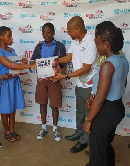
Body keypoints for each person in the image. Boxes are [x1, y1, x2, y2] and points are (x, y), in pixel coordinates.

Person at [83, 21, 129, 166]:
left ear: (106, 43)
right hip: (116, 108)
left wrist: (89, 120)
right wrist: (94, 94)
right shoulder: (122, 60)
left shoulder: (108, 65)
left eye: (97, 43)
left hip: (106, 110)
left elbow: (101, 98)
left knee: (97, 151)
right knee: (105, 145)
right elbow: (123, 83)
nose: (95, 46)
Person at [54, 16, 98, 152]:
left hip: (88, 85)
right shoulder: (76, 41)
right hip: (78, 83)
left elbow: (85, 69)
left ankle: (84, 140)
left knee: (87, 113)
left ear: (78, 29)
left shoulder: (91, 42)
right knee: (79, 111)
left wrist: (65, 75)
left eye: (70, 31)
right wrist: (55, 60)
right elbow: (68, 57)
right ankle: (79, 132)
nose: (68, 33)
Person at [0, 26, 36, 142]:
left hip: (14, 81)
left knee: (12, 106)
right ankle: (6, 131)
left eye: (11, 36)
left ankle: (12, 129)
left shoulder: (12, 51)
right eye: (8, 36)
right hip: (4, 82)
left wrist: (23, 62)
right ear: (1, 37)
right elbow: (10, 65)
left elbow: (16, 65)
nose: (11, 39)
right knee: (4, 107)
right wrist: (30, 66)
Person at [31, 22, 66, 141]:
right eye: (44, 32)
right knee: (42, 103)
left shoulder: (60, 46)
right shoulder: (39, 46)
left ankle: (55, 129)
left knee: (54, 105)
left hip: (54, 80)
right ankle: (44, 128)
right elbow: (33, 61)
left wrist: (60, 72)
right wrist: (28, 62)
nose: (46, 34)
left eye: (48, 32)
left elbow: (64, 63)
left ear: (54, 32)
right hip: (41, 80)